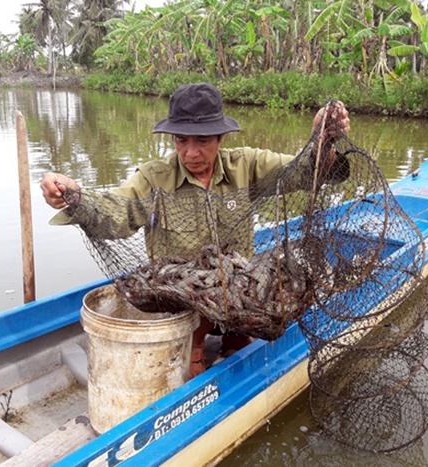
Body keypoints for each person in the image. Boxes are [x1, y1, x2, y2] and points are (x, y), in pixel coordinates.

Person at [41, 82, 350, 377]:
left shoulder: (246, 165)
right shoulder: (153, 179)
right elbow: (117, 213)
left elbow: (304, 171)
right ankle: (197, 352)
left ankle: (235, 344)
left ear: (220, 138)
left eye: (202, 141)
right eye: (181, 141)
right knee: (189, 368)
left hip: (238, 296)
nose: (190, 153)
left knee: (248, 344)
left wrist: (322, 143)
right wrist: (76, 198)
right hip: (182, 305)